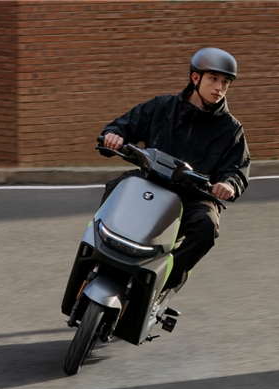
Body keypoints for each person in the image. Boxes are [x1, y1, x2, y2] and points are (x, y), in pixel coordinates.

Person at [99, 47, 251, 290]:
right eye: (213, 79)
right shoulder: (162, 107)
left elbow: (237, 169)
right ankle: (102, 252)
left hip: (193, 197)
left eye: (225, 82)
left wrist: (229, 184)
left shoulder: (231, 130)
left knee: (207, 224)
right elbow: (122, 126)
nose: (219, 88)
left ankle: (164, 281)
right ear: (196, 78)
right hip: (151, 181)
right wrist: (113, 136)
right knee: (118, 188)